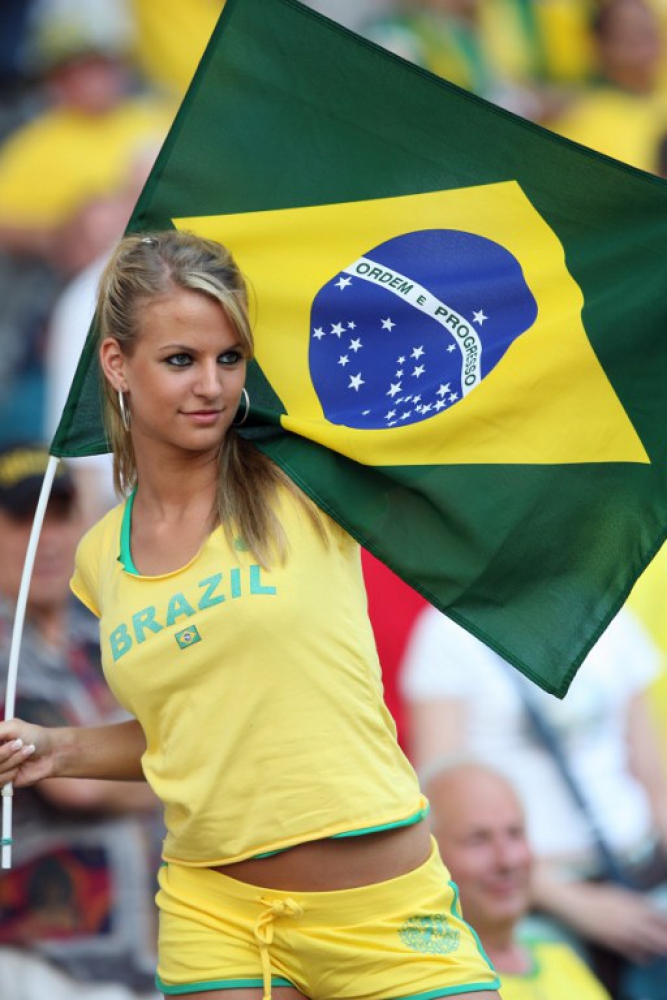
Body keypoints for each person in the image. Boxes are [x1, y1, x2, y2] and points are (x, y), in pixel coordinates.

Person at [0, 230, 501, 1000]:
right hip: (213, 915)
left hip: (382, 912)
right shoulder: (100, 557)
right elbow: (192, 735)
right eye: (180, 359)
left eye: (229, 358)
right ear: (116, 364)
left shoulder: (305, 477)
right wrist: (56, 748)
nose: (210, 385)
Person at [401, 603, 667, 995]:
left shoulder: (610, 613)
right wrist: (579, 905)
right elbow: (441, 799)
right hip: (524, 895)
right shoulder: (449, 631)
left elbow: (654, 776)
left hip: (641, 875)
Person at [0, 443, 162, 999]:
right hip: (40, 954)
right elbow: (76, 785)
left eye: (60, 516)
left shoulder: (105, 631)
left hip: (139, 949)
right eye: (21, 521)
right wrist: (194, 770)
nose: (45, 540)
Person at [424, 758, 611, 999]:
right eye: (477, 839)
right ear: (427, 855)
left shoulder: (559, 955)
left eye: (515, 833)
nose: (507, 860)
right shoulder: (429, 981)